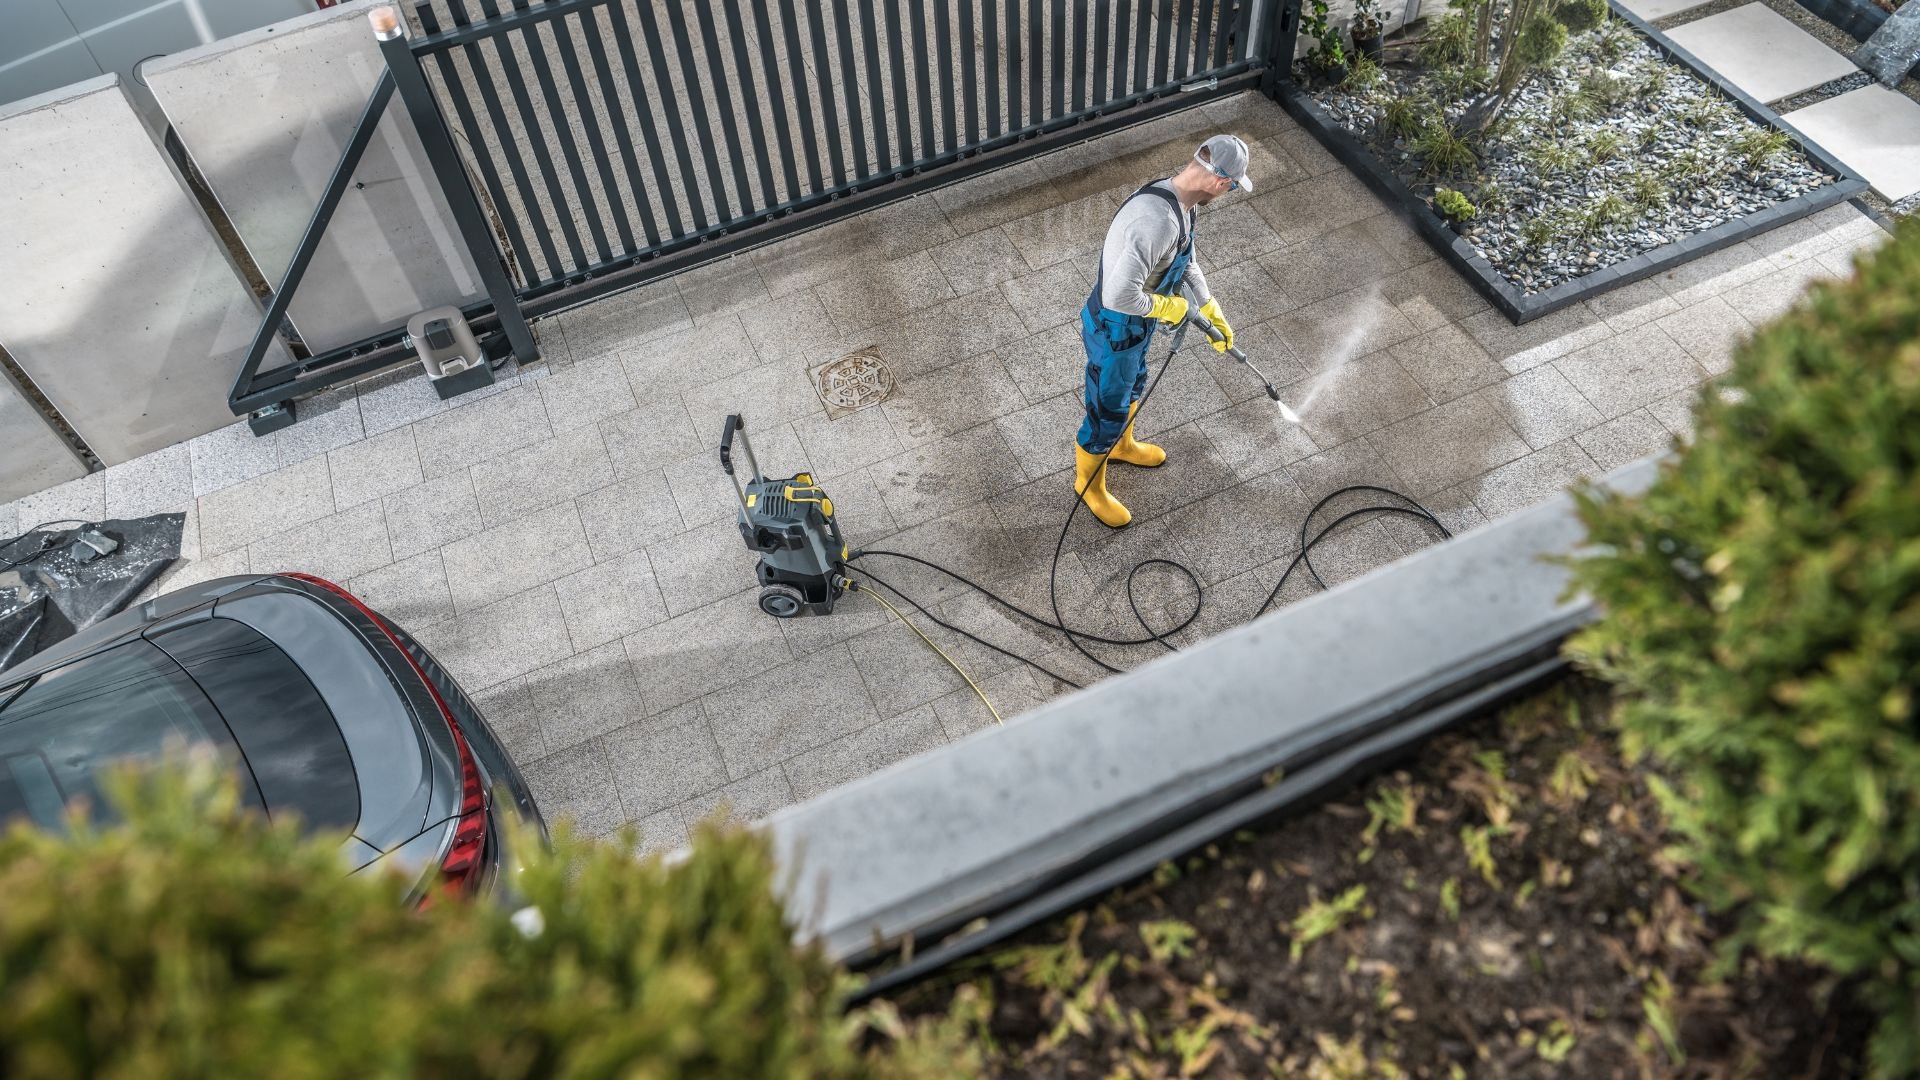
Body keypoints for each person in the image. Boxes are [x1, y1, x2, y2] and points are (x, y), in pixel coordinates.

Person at [1074, 133, 1253, 528]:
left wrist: (1207, 303)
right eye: (1234, 186)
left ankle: (1121, 446)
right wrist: (1172, 307)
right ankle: (1089, 485)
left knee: (1135, 384)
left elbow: (1183, 258)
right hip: (1115, 328)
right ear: (1222, 182)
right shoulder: (1155, 221)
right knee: (1107, 408)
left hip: (1138, 325)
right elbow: (1118, 296)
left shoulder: (1181, 202)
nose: (1230, 191)